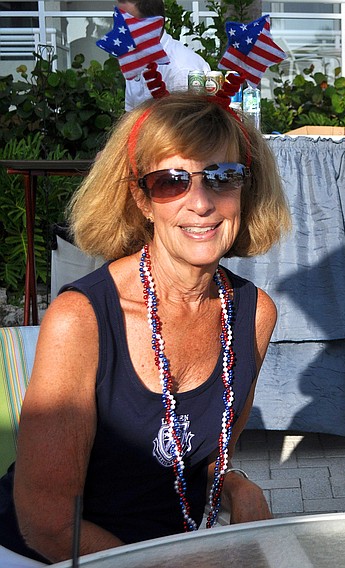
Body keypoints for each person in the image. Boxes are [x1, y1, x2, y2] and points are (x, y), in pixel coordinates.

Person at [0, 91, 291, 565]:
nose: (201, 202)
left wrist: (236, 484)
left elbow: (208, 453)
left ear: (245, 190)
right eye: (171, 181)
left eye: (222, 177)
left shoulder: (254, 312)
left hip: (171, 550)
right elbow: (47, 520)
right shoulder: (81, 320)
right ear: (140, 198)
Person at [119, 0, 210, 111]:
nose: (119, 30)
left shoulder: (181, 68)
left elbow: (186, 125)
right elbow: (130, 115)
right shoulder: (133, 58)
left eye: (126, 23)